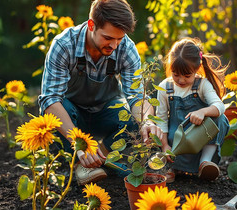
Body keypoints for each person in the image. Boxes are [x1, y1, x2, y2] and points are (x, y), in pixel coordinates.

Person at [38, 0, 163, 185]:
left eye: (119, 39)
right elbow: (50, 100)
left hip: (105, 113)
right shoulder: (64, 45)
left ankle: (100, 158)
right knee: (54, 111)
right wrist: (80, 142)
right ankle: (80, 160)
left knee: (134, 118)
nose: (114, 45)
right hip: (72, 118)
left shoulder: (126, 49)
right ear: (91, 25)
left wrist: (147, 122)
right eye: (107, 38)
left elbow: (137, 95)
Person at [156, 37, 230, 182]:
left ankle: (204, 162)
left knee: (221, 119)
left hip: (199, 140)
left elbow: (219, 106)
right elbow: (161, 119)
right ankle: (171, 167)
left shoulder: (202, 84)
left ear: (197, 69)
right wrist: (165, 145)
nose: (181, 80)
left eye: (187, 75)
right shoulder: (165, 87)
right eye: (176, 74)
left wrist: (202, 112)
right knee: (155, 134)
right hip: (176, 142)